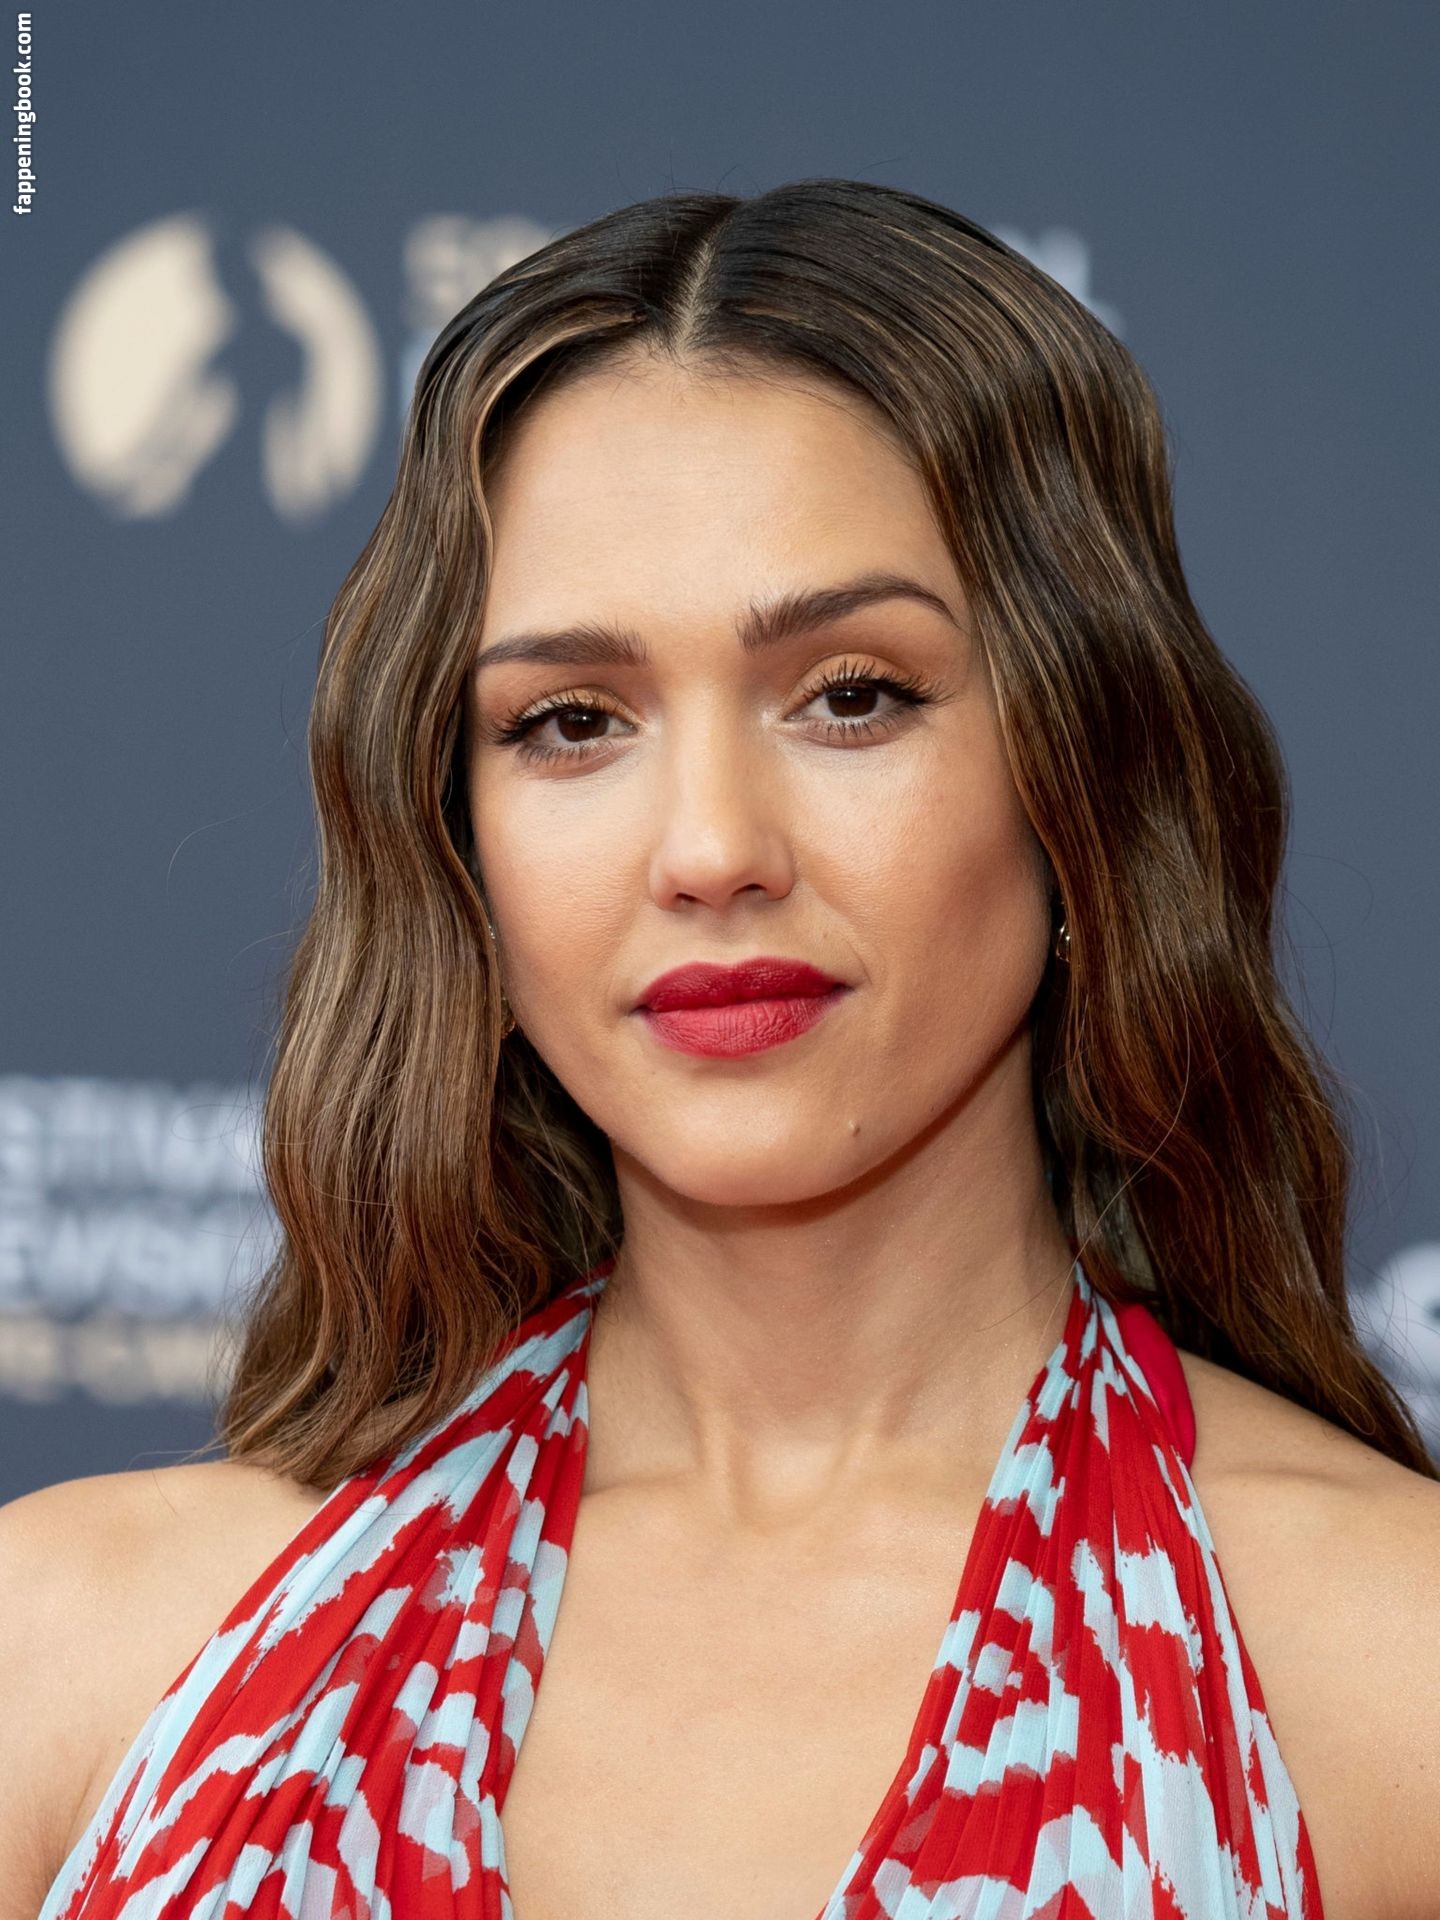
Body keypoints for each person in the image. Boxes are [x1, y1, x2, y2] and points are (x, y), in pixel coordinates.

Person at [3, 177, 1437, 1920]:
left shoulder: (1387, 1679)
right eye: (571, 722)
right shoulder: (74, 1664)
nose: (708, 849)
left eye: (853, 695)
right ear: (456, 842)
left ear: (1085, 773)